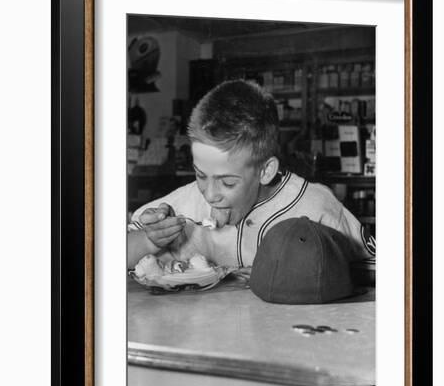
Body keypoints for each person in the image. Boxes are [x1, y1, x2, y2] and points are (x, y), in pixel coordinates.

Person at [127, 80, 375, 270]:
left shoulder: (316, 206)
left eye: (227, 182)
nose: (210, 194)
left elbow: (377, 271)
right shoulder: (185, 203)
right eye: (201, 174)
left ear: (265, 171)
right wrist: (150, 241)